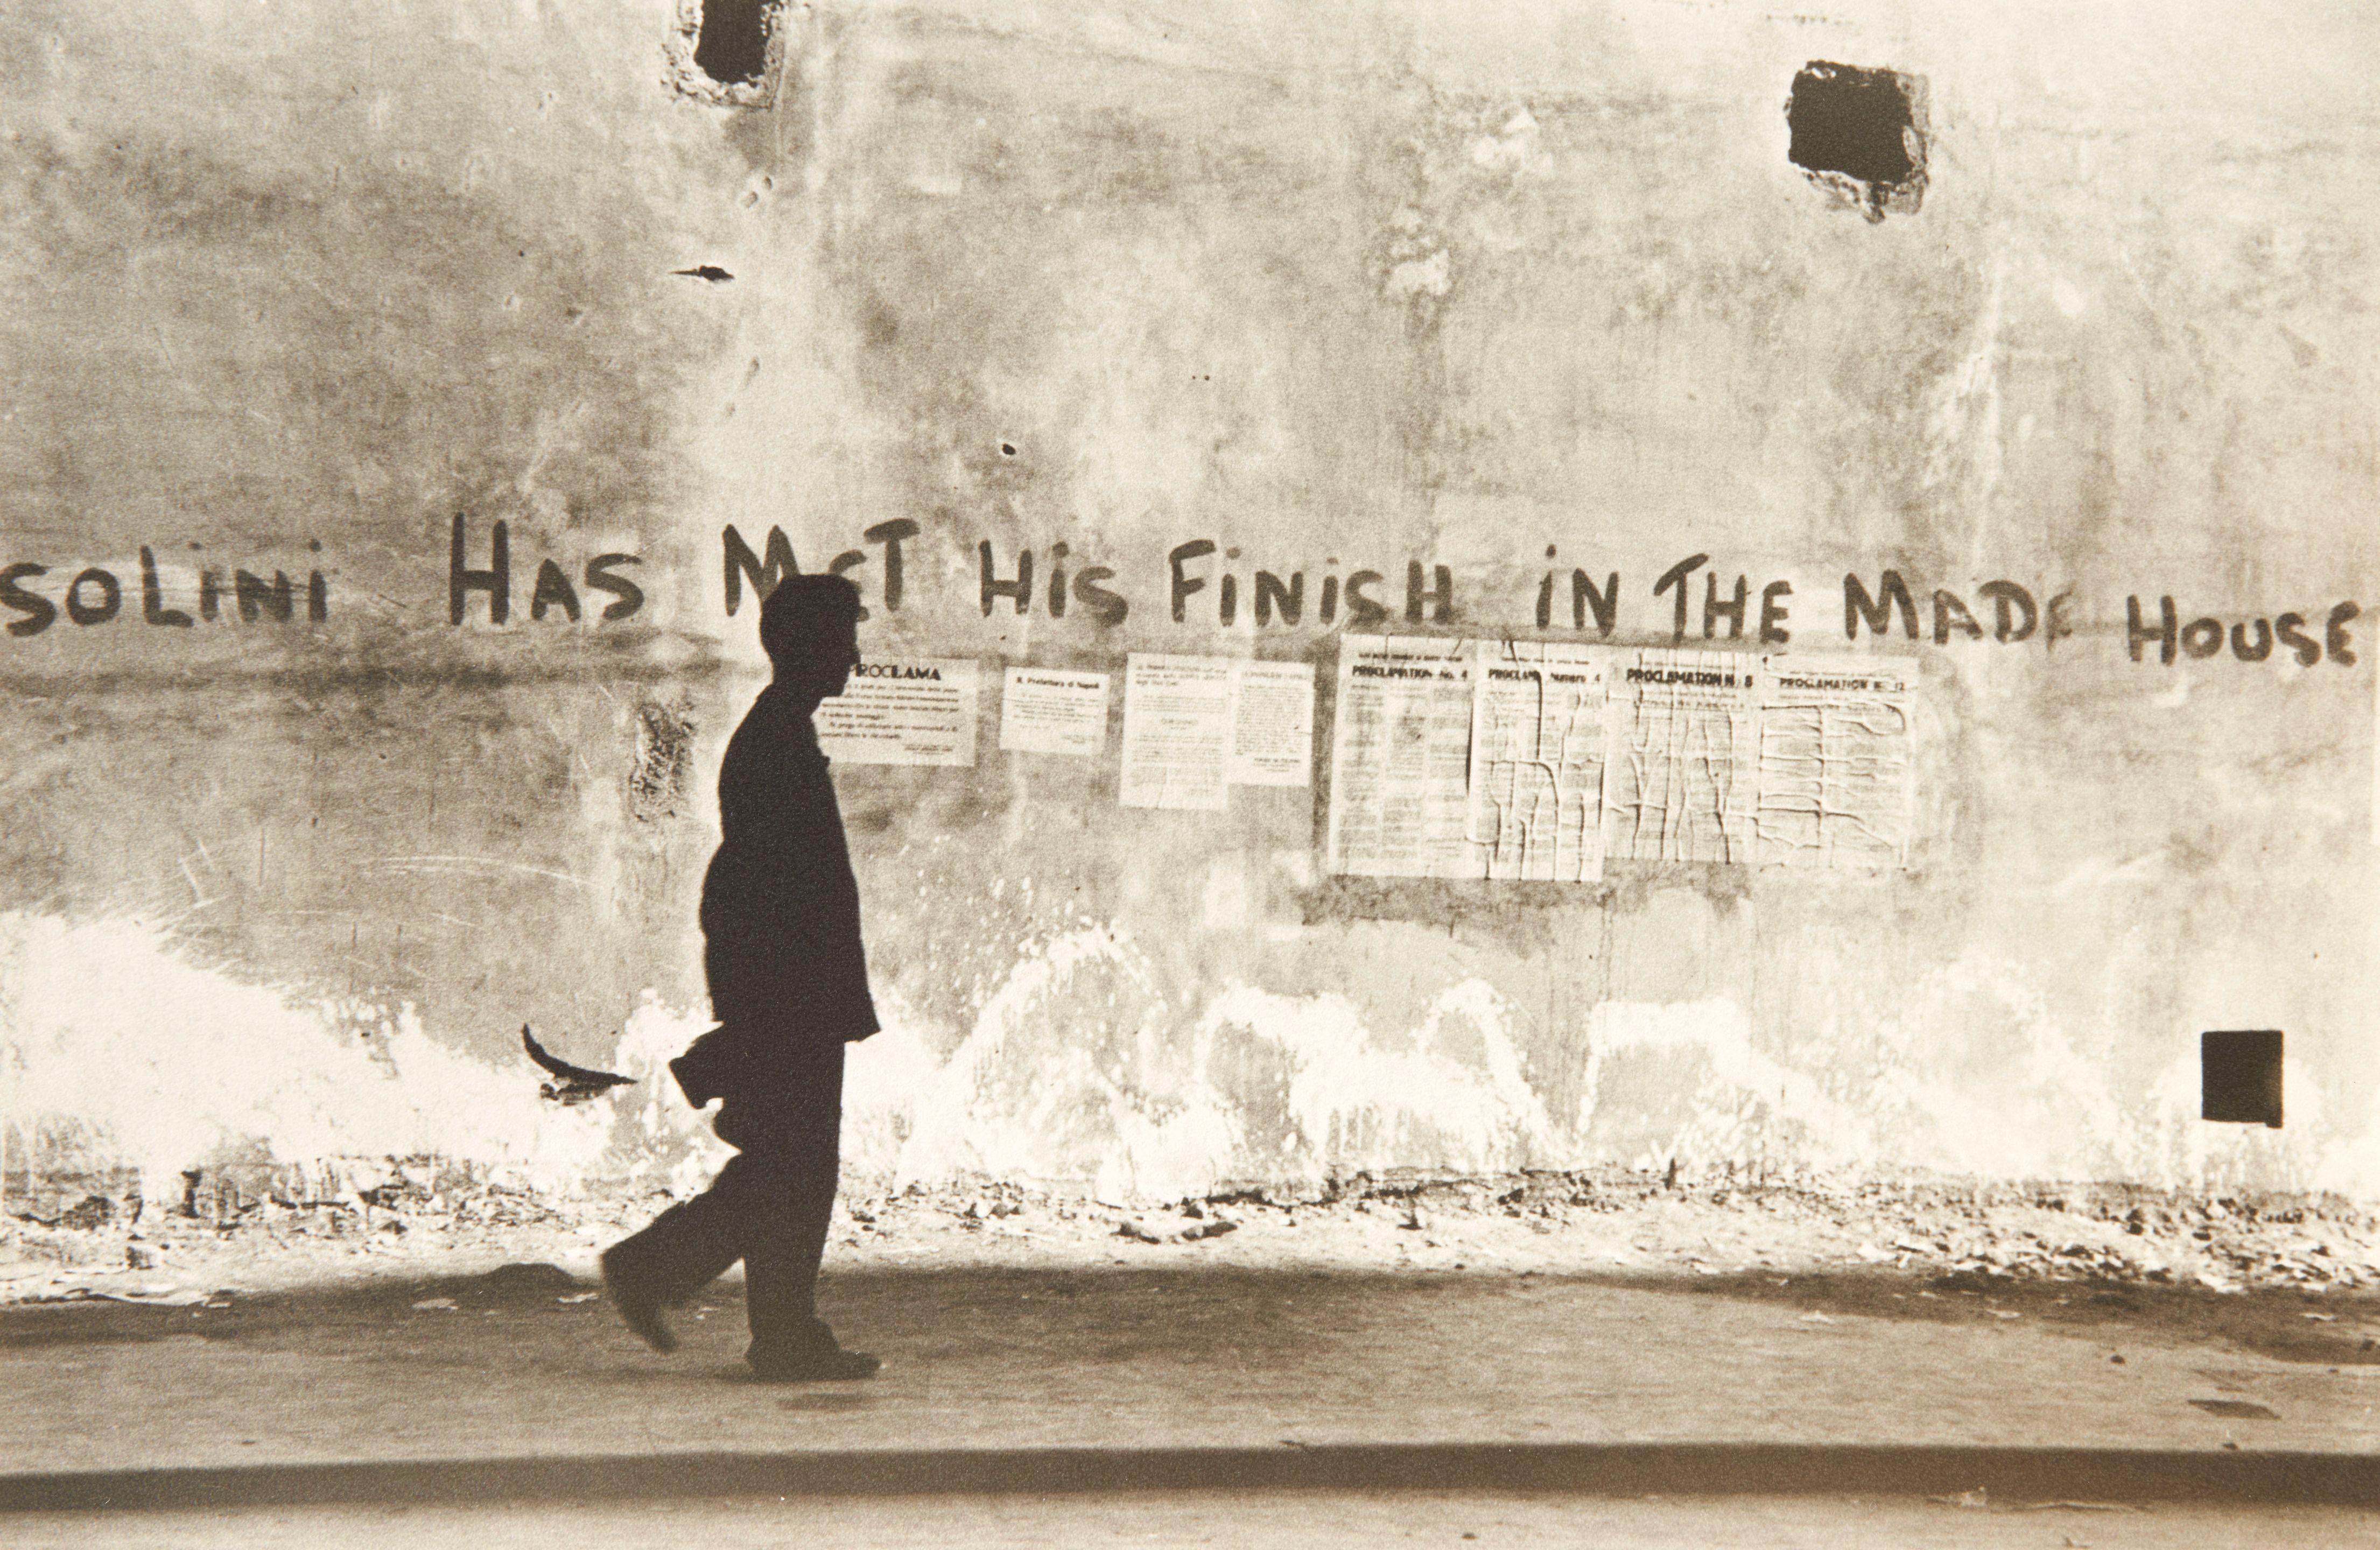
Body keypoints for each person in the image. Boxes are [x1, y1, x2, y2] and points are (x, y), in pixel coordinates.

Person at [600, 573, 881, 1382]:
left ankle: (764, 1324)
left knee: (788, 1167)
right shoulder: (777, 744)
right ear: (807, 648)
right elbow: (759, 890)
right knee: (794, 1167)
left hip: (793, 995)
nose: (853, 661)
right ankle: (676, 1279)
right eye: (843, 642)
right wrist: (777, 1009)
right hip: (791, 997)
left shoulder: (779, 733)